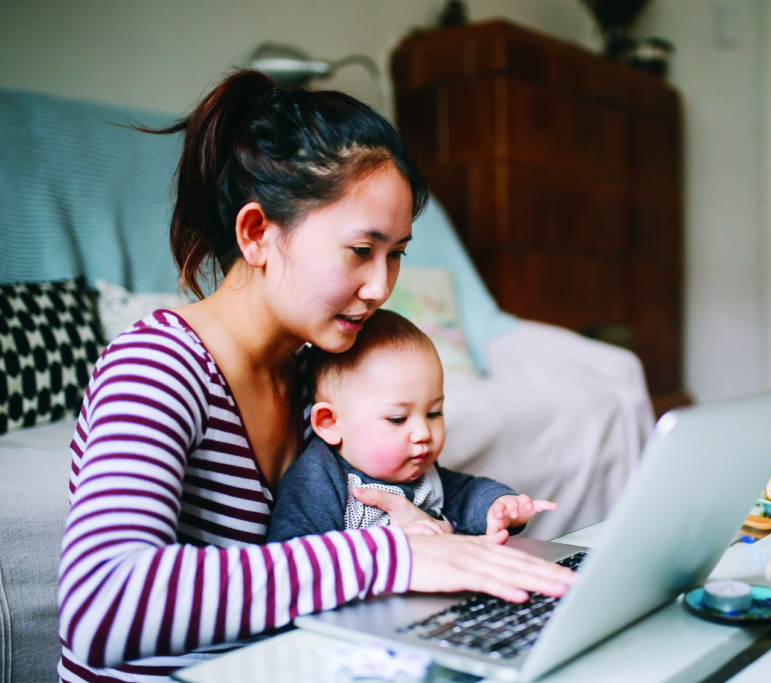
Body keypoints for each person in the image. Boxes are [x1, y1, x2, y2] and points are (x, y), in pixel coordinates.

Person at [57, 71, 575, 683]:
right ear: (257, 234)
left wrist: (429, 529)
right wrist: (387, 556)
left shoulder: (318, 379)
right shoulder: (156, 368)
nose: (382, 287)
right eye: (362, 250)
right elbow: (101, 604)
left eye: (397, 253)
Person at [267, 309, 557, 543]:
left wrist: (499, 506)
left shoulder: (421, 472)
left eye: (434, 413)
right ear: (330, 424)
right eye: (397, 419)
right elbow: (296, 558)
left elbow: (467, 493)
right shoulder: (318, 480)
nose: (423, 433)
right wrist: (389, 544)